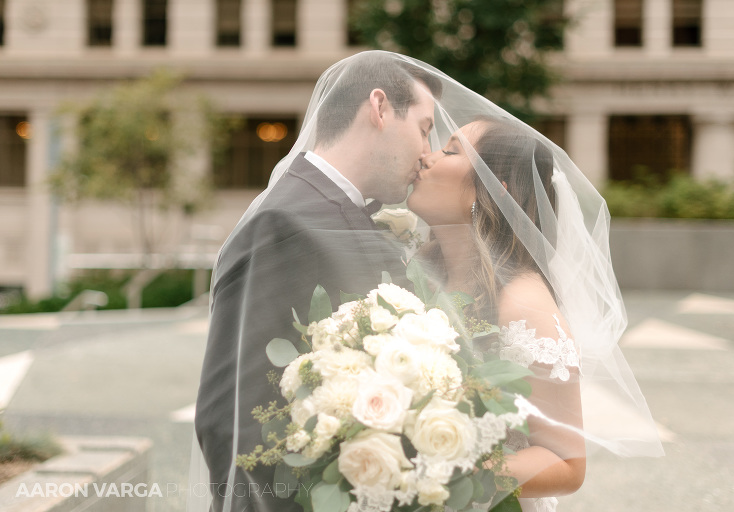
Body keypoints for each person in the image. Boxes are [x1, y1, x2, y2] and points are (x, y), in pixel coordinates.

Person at [191, 52, 442, 512]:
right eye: (425, 128)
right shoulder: (283, 223)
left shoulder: (349, 216)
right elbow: (233, 420)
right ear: (380, 108)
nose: (427, 153)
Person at [406, 115, 664, 510]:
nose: (426, 157)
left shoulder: (523, 304)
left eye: (450, 150)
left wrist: (434, 477)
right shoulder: (417, 275)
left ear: (490, 190)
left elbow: (565, 463)